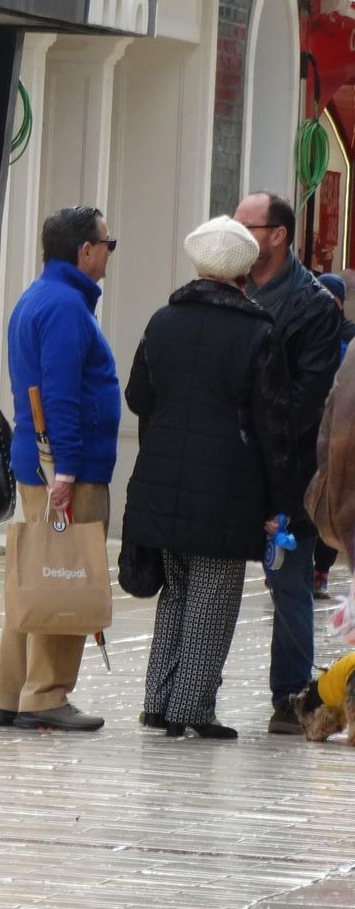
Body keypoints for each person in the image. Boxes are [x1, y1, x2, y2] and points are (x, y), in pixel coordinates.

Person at [123, 217, 295, 740]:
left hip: (161, 474)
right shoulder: (258, 332)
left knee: (175, 592)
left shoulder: (162, 321)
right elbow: (273, 424)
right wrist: (277, 500)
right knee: (213, 600)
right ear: (243, 272)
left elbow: (137, 396)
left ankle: (158, 700)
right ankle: (192, 708)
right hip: (228, 485)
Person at [0, 206, 120, 732]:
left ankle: (10, 692)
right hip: (69, 470)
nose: (110, 253)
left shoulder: (38, 297)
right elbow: (60, 394)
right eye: (108, 244)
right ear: (84, 251)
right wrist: (65, 471)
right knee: (66, 575)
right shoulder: (67, 307)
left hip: (40, 463)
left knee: (35, 577)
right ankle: (46, 694)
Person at [234, 192, 344, 733]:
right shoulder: (227, 288)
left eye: (246, 226)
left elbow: (306, 402)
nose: (236, 236)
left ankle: (291, 694)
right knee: (206, 578)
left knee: (289, 581)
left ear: (277, 235)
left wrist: (251, 434)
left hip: (286, 471)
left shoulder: (315, 305)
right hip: (229, 465)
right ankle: (183, 690)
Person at [312, 272, 353, 599]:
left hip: (338, 440)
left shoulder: (347, 340)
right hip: (319, 432)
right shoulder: (316, 333)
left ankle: (320, 571)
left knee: (332, 503)